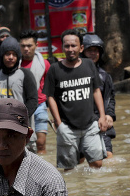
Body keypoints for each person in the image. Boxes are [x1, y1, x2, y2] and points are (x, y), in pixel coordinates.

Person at [43, 30, 109, 170]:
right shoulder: (55, 69)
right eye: (67, 46)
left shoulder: (89, 65)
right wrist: (59, 123)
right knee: (69, 169)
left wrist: (102, 116)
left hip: (90, 124)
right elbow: (50, 97)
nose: (70, 49)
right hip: (66, 127)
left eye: (74, 46)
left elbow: (96, 90)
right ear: (62, 48)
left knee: (97, 164)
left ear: (81, 48)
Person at [82, 34, 116, 157]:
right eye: (89, 51)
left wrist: (110, 115)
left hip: (100, 120)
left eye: (96, 51)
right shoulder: (74, 73)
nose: (93, 54)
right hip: (81, 122)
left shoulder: (104, 76)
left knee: (108, 155)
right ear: (83, 51)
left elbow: (110, 98)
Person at [0, 36, 39, 118]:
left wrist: (22, 117)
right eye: (7, 54)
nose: (11, 57)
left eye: (14, 54)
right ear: (2, 55)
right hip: (0, 124)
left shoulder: (25, 74)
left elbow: (33, 100)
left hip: (21, 125)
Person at [18, 31, 50, 155]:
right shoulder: (15, 64)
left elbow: (49, 84)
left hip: (40, 105)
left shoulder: (44, 64)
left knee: (41, 143)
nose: (26, 49)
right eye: (23, 46)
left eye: (29, 46)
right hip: (22, 105)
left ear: (36, 45)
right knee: (24, 144)